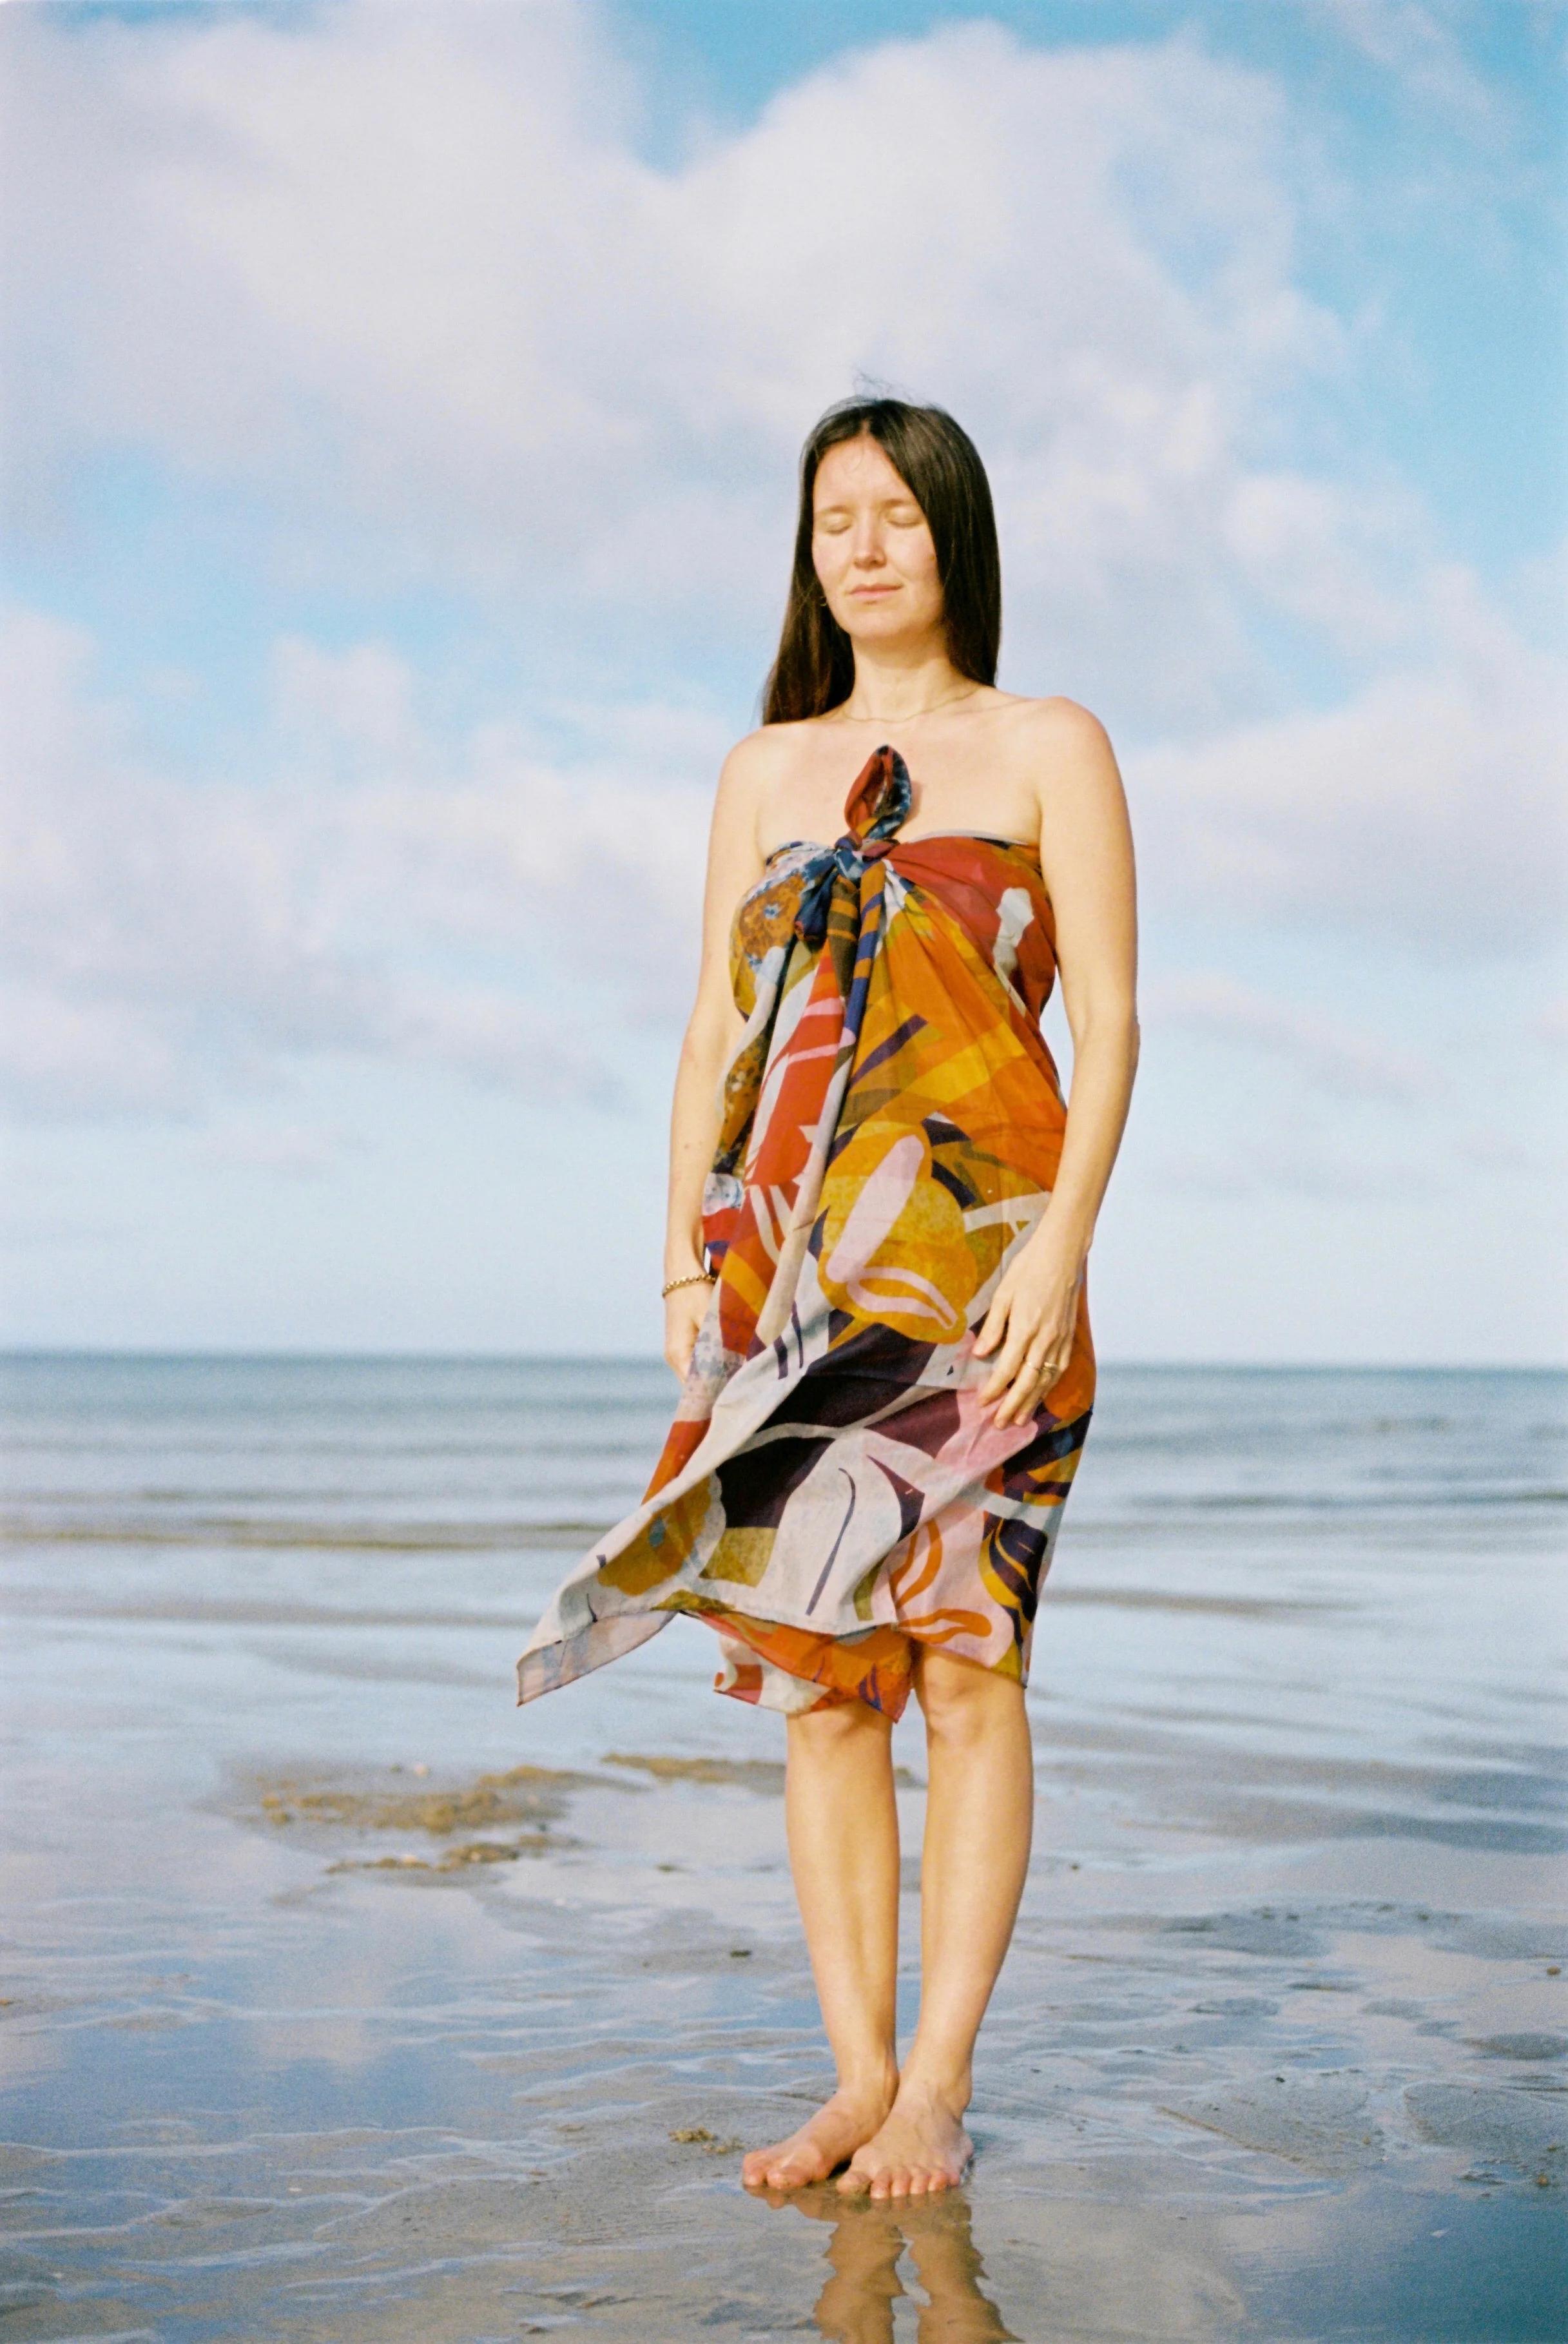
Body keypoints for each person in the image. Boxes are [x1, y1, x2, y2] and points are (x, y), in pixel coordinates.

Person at [517, 394, 1139, 2202]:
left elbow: (1106, 1021)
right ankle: (857, 2074)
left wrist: (1060, 1244)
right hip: (780, 1275)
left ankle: (940, 2083)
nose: (861, 548)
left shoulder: (1048, 745)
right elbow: (715, 1028)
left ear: (955, 532)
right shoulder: (760, 771)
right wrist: (676, 1256)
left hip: (989, 1268)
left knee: (966, 1666)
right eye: (831, 521)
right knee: (816, 1690)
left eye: (894, 514)